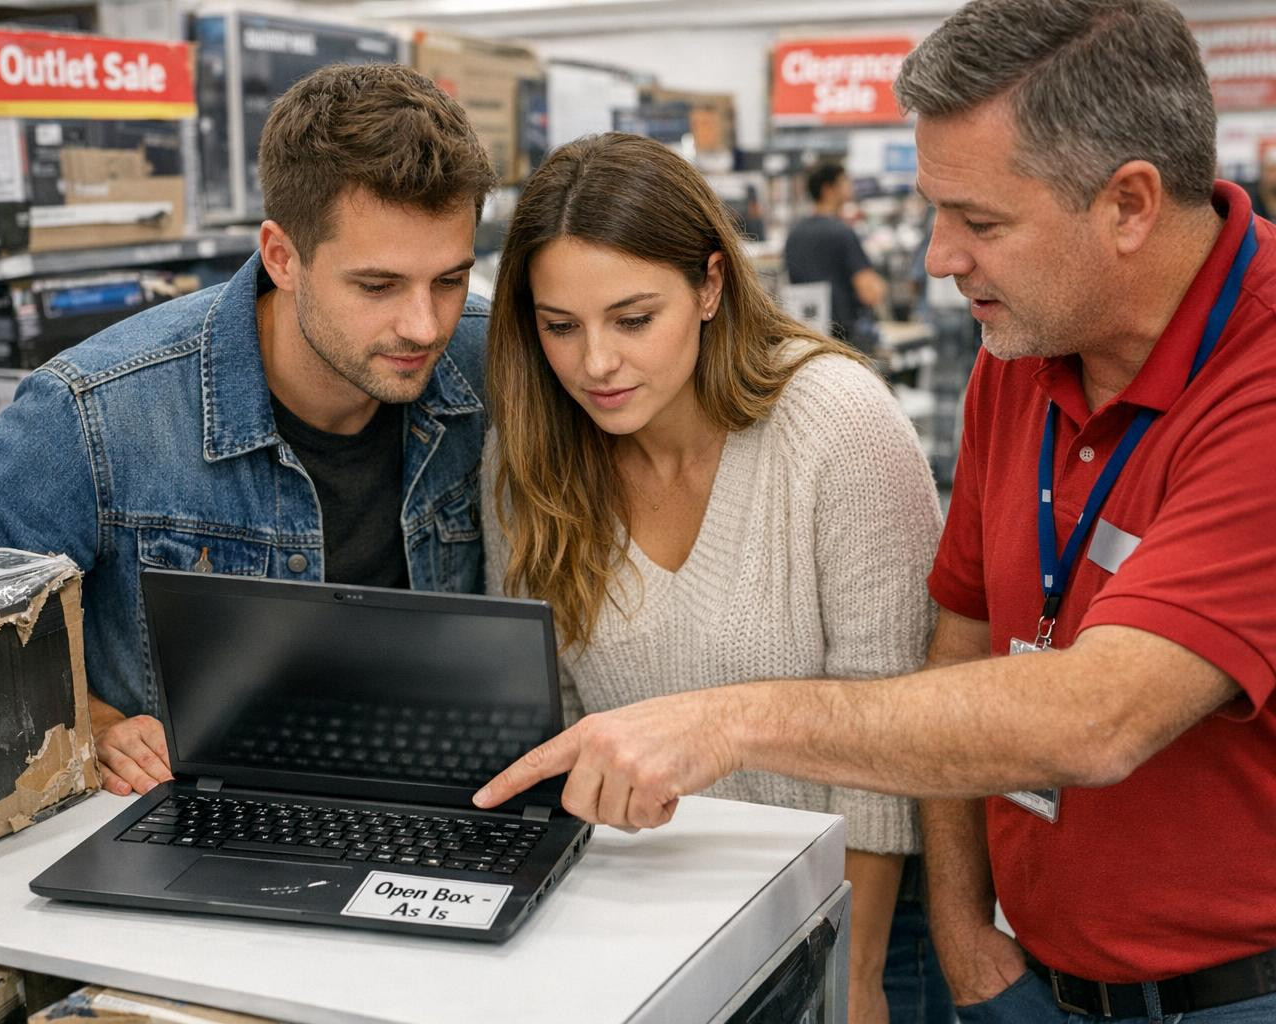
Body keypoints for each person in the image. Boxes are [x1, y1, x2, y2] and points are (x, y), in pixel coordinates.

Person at [474, 2, 1276, 1022]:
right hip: (1027, 977)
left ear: (1128, 204)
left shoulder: (1259, 384)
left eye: (980, 221)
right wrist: (962, 930)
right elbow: (962, 638)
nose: (939, 256)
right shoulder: (1022, 352)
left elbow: (1098, 717)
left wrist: (730, 720)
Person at [0, 63, 497, 798]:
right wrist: (91, 721)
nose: (423, 326)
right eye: (377, 286)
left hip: (439, 802)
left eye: (450, 279)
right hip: (199, 819)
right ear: (282, 257)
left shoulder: (490, 359)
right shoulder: (95, 413)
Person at [483, 132, 947, 1024]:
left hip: (849, 917)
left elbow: (889, 746)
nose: (596, 365)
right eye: (560, 327)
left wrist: (851, 977)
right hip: (647, 932)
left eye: (632, 318)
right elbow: (564, 724)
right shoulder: (529, 461)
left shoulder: (834, 424)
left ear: (708, 286)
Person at [783, 160, 889, 350]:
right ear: (828, 189)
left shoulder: (794, 234)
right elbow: (869, 293)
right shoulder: (842, 233)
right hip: (845, 338)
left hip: (807, 336)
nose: (850, 186)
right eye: (844, 181)